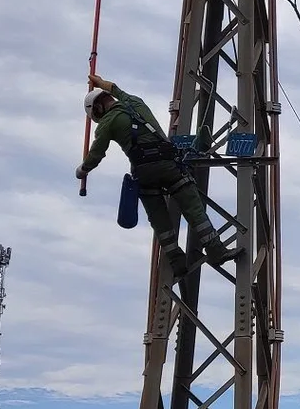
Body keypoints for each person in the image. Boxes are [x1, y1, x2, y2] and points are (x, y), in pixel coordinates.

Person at [75, 72, 234, 277]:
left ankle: (177, 262)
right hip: (170, 166)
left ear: (97, 109)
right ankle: (216, 249)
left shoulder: (108, 123)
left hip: (145, 173)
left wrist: (82, 170)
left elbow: (96, 154)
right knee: (193, 208)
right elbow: (116, 89)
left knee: (159, 219)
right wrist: (101, 83)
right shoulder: (135, 103)